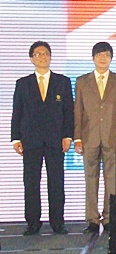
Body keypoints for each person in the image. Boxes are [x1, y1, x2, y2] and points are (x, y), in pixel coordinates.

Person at [11, 41, 74, 235]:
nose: (42, 57)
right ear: (31, 59)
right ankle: (33, 222)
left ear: (51, 57)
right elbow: (17, 112)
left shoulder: (62, 82)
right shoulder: (22, 83)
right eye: (38, 54)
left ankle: (57, 222)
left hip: (56, 140)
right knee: (31, 182)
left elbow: (68, 112)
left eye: (45, 53)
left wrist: (68, 136)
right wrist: (15, 138)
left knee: (56, 182)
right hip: (30, 140)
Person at [74, 42, 116, 233]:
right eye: (99, 55)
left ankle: (109, 218)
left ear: (111, 58)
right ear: (93, 58)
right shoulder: (81, 81)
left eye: (106, 55)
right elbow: (78, 109)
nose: (102, 58)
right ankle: (92, 219)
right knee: (90, 178)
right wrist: (77, 137)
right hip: (89, 136)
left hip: (112, 136)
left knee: (111, 178)